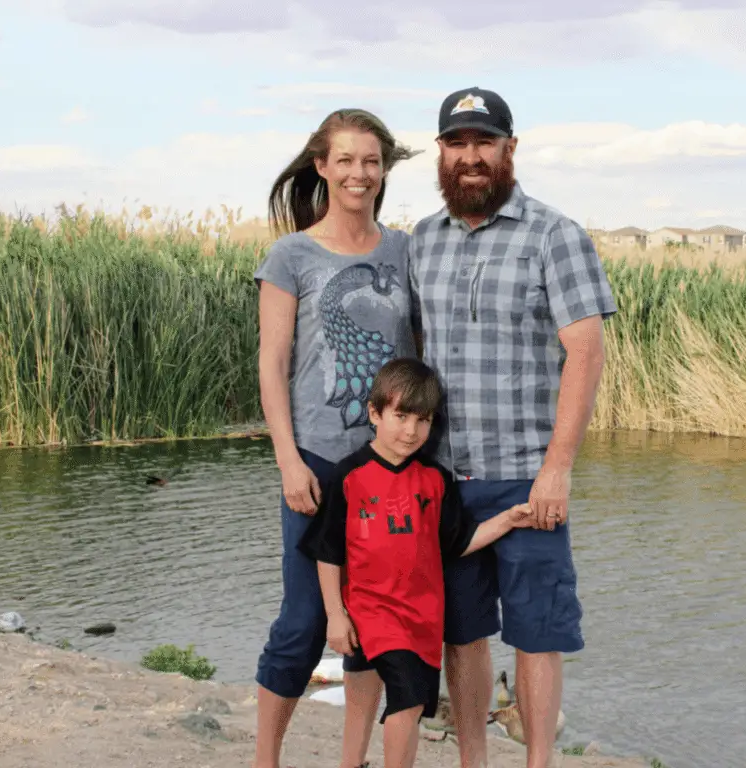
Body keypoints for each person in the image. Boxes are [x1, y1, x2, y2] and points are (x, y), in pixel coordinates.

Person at [408, 87, 619, 768]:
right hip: (445, 478)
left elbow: (585, 353)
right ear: (441, 152)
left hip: (529, 480)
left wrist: (557, 469)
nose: (471, 157)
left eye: (485, 142)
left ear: (510, 149)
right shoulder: (422, 242)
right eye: (457, 143)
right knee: (461, 634)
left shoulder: (555, 235)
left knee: (536, 633)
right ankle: (474, 759)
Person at [251, 108, 420, 768]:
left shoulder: (404, 250)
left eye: (371, 161)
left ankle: (352, 760)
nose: (360, 173)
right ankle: (265, 757)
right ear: (321, 165)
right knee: (304, 623)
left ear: (384, 170)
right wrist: (288, 460)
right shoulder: (292, 254)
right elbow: (273, 362)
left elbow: (423, 351)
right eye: (346, 160)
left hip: (386, 467)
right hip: (318, 462)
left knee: (371, 623)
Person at [298, 357, 536, 768]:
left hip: (423, 620)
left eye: (423, 420)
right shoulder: (348, 476)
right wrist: (336, 616)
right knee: (407, 698)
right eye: (401, 416)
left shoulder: (435, 479)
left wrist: (507, 519)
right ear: (375, 413)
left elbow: (457, 543)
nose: (411, 431)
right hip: (373, 612)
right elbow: (327, 551)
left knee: (413, 703)